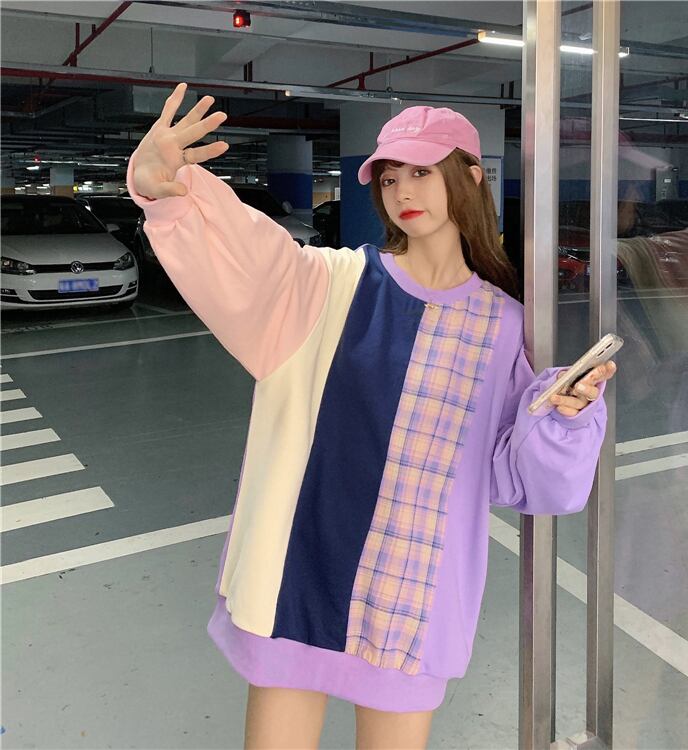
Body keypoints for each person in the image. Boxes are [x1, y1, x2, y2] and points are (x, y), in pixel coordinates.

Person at [128, 82, 616, 750]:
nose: (402, 191)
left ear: (471, 177)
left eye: (421, 172)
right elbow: (245, 251)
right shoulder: (327, 283)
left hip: (414, 594)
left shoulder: (504, 324)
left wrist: (563, 416)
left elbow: (514, 477)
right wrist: (169, 190)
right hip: (300, 572)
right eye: (389, 178)